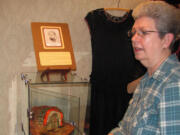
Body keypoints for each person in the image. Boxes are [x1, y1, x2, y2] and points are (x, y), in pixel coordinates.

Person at [108, 1, 180, 135]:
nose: (134, 39)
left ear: (166, 40)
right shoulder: (147, 80)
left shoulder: (174, 85)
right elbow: (124, 129)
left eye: (144, 32)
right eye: (134, 32)